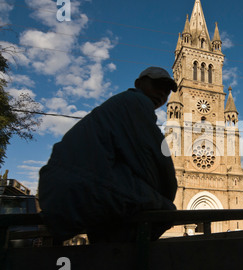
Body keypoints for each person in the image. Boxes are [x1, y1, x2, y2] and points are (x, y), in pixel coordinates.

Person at [38, 67, 178, 243]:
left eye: (166, 91)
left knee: (128, 201)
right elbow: (155, 159)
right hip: (81, 188)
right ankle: (122, 259)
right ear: (139, 83)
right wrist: (167, 194)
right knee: (167, 211)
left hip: (59, 191)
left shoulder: (120, 104)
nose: (161, 94)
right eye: (157, 85)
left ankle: (107, 255)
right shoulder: (136, 102)